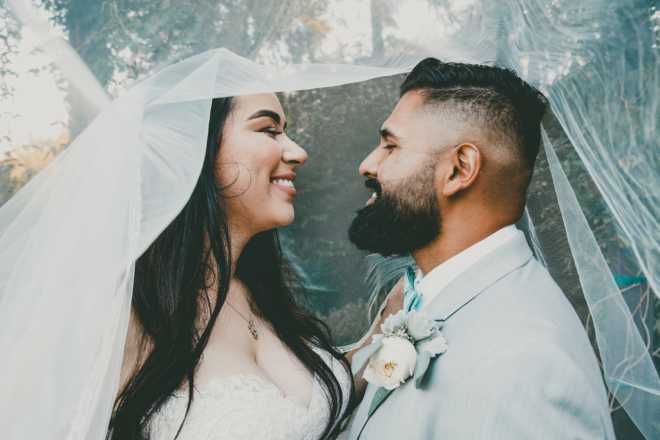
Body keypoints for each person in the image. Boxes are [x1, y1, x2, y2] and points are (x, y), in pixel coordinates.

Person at [345, 58, 615, 439]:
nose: (367, 165)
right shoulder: (431, 303)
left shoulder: (526, 365)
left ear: (459, 169)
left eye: (391, 145)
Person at [112, 94, 352, 440]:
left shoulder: (260, 290)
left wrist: (386, 334)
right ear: (198, 150)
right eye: (269, 130)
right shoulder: (125, 311)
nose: (298, 152)